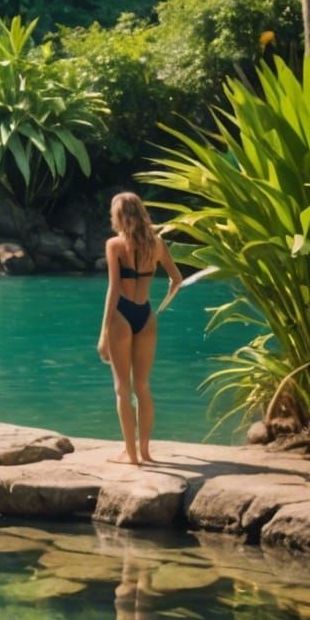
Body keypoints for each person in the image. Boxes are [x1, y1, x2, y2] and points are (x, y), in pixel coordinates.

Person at [97, 192, 182, 465]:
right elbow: (177, 279)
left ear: (119, 216)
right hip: (146, 315)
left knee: (122, 388)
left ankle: (132, 456)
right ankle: (145, 451)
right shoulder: (156, 244)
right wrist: (162, 307)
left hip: (121, 315)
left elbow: (113, 289)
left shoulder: (114, 245)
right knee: (142, 387)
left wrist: (103, 334)